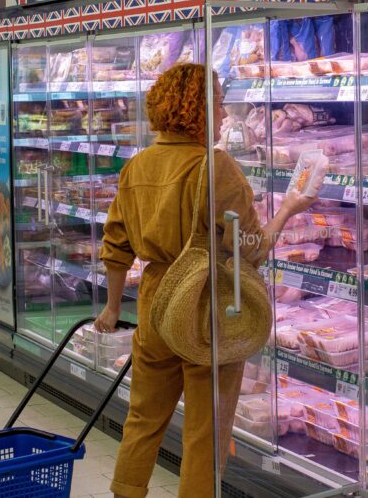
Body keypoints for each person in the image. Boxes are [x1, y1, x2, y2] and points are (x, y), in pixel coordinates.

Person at [95, 63, 317, 498]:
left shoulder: (136, 166)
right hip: (207, 305)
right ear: (197, 111)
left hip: (156, 302)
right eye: (217, 104)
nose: (223, 114)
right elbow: (251, 247)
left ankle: (125, 492)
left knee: (142, 417)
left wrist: (111, 305)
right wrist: (289, 208)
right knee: (205, 430)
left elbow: (116, 243)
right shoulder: (217, 168)